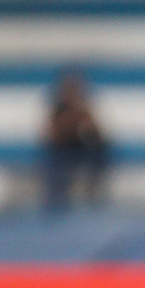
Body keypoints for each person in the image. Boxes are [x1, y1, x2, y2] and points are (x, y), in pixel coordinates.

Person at [42, 70, 108, 213]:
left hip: (80, 149)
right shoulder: (57, 111)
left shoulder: (84, 109)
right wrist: (71, 124)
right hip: (61, 150)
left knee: (99, 154)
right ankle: (57, 199)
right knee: (56, 162)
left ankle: (93, 193)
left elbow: (97, 133)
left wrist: (87, 129)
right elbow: (52, 137)